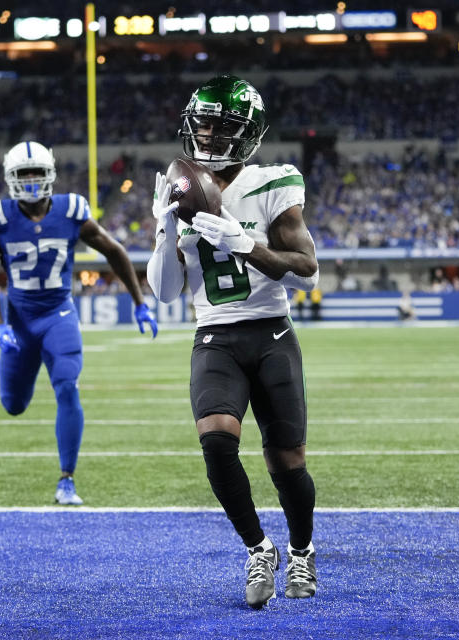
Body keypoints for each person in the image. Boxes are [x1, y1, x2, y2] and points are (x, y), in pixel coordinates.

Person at [146, 75, 319, 609]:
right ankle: (258, 547)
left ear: (248, 133)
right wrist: (163, 232)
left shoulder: (274, 182)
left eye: (221, 127)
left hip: (271, 333)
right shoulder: (179, 186)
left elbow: (307, 271)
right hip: (214, 336)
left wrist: (243, 242)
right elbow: (166, 292)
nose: (209, 135)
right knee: (217, 442)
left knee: (286, 459)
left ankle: (303, 550)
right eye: (202, 123)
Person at [0, 140, 158, 505]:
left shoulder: (72, 211)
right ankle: (64, 477)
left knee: (67, 387)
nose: (29, 181)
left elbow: (115, 251)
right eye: (22, 174)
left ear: (50, 175)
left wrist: (140, 302)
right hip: (21, 320)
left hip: (59, 315)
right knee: (13, 404)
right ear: (10, 178)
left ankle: (67, 480)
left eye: (36, 173)